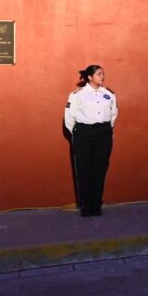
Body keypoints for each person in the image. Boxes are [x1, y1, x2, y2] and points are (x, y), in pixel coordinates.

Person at [65, 65, 118, 217]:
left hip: (103, 134)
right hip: (84, 134)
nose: (102, 76)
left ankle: (96, 204)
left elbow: (114, 114)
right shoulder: (77, 94)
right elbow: (69, 117)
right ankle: (86, 205)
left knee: (100, 169)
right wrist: (79, 133)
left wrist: (104, 129)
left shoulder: (109, 94)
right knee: (84, 169)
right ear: (89, 77)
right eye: (99, 74)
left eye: (103, 73)